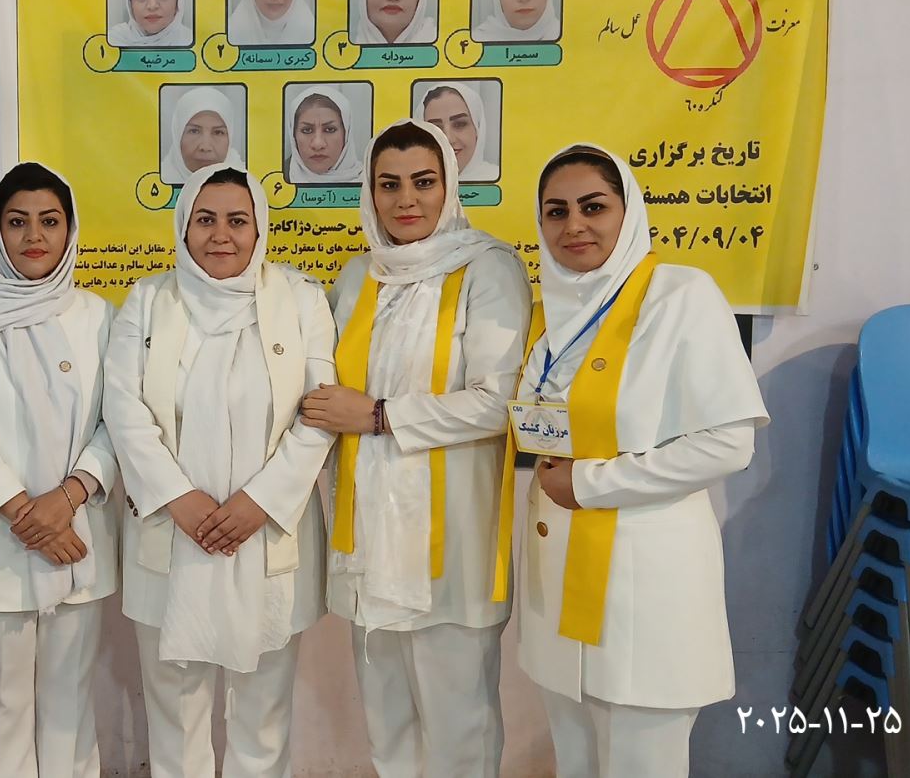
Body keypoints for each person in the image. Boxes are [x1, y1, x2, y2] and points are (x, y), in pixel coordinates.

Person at [495, 144, 768, 777]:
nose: (574, 226)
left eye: (594, 207)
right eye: (556, 212)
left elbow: (728, 442)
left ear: (629, 211)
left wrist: (592, 483)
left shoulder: (680, 296)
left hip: (643, 585)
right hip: (557, 577)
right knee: (576, 760)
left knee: (643, 760)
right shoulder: (550, 312)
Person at [302, 119, 530, 777]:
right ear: (369, 194)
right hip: (369, 540)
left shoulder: (488, 268)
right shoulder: (357, 277)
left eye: (424, 182)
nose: (406, 200)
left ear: (449, 186)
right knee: (388, 728)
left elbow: (499, 402)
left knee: (460, 733)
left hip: (450, 544)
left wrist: (380, 416)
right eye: (389, 184)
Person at [104, 165, 335, 777]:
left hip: (267, 533)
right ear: (183, 227)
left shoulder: (302, 299)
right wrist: (179, 499)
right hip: (172, 533)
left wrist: (259, 503)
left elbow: (320, 411)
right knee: (174, 715)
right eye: (204, 220)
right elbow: (123, 408)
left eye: (238, 220)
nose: (221, 235)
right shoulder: (149, 300)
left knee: (263, 716)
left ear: (261, 228)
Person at [0, 163, 121, 777]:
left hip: (78, 536)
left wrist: (67, 498)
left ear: (70, 229)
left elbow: (119, 418)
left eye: (49, 221)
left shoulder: (98, 316)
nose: (34, 236)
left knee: (70, 709)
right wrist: (25, 513)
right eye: (17, 222)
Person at [161, 87, 245, 185]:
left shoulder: (248, 182)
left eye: (218, 132)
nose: (205, 147)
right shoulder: (155, 179)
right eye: (194, 131)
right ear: (177, 134)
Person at [421, 83, 500, 183]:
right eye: (435, 128)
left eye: (459, 124)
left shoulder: (502, 178)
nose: (448, 139)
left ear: (477, 128)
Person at [285, 86, 362, 186]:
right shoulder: (275, 180)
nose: (318, 144)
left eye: (329, 130)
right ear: (293, 136)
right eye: (307, 130)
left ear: (346, 134)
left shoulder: (370, 179)